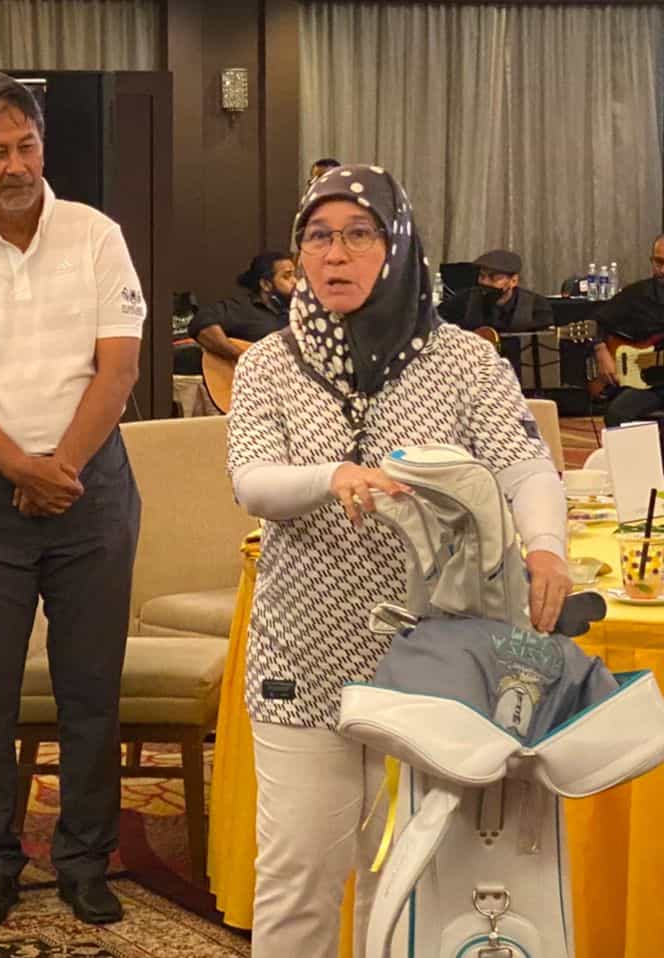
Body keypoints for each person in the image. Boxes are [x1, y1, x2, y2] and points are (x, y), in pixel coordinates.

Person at [225, 164, 570, 955]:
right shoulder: (268, 363)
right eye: (318, 237)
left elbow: (526, 466)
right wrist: (333, 477)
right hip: (303, 652)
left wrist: (546, 549)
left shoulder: (465, 362)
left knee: (412, 881)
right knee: (299, 874)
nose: (335, 254)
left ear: (399, 246)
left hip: (432, 658)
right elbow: (252, 482)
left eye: (359, 234)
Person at [0, 73, 143, 928]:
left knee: (91, 688)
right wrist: (20, 468)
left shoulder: (96, 236)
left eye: (28, 146)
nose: (16, 166)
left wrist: (61, 467)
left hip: (90, 489)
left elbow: (119, 367)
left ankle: (85, 858)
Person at [592, 234, 664, 426]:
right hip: (646, 383)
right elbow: (598, 321)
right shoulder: (636, 293)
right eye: (658, 262)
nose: (662, 270)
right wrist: (601, 351)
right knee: (616, 415)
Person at [187, 251, 294, 362]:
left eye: (295, 275)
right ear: (266, 285)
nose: (295, 281)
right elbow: (200, 322)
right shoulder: (243, 308)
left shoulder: (294, 312)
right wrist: (242, 358)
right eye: (287, 276)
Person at [437, 248, 554, 333]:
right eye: (482, 276)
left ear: (513, 281)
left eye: (494, 278)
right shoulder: (464, 300)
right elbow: (436, 322)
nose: (485, 282)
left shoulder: (536, 307)